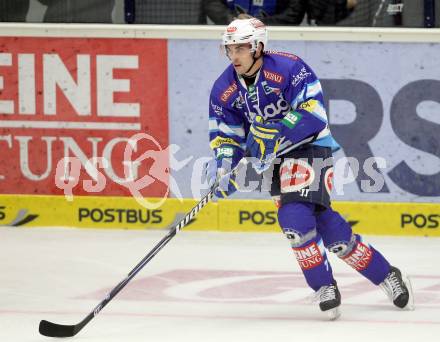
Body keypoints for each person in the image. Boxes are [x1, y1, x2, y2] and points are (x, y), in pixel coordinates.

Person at [203, 14, 414, 319]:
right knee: (332, 233)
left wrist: (276, 132)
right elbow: (226, 136)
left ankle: (323, 286)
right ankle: (386, 274)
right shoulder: (223, 89)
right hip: (274, 161)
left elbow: (313, 112)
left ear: (259, 46)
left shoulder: (289, 68)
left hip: (310, 147)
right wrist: (224, 165)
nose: (234, 55)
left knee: (294, 220)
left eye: (241, 48)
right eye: (230, 49)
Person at [204, 0, 357, 26]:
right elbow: (211, 3)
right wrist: (231, 19)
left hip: (277, 41)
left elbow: (294, 13)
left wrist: (258, 24)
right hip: (227, 37)